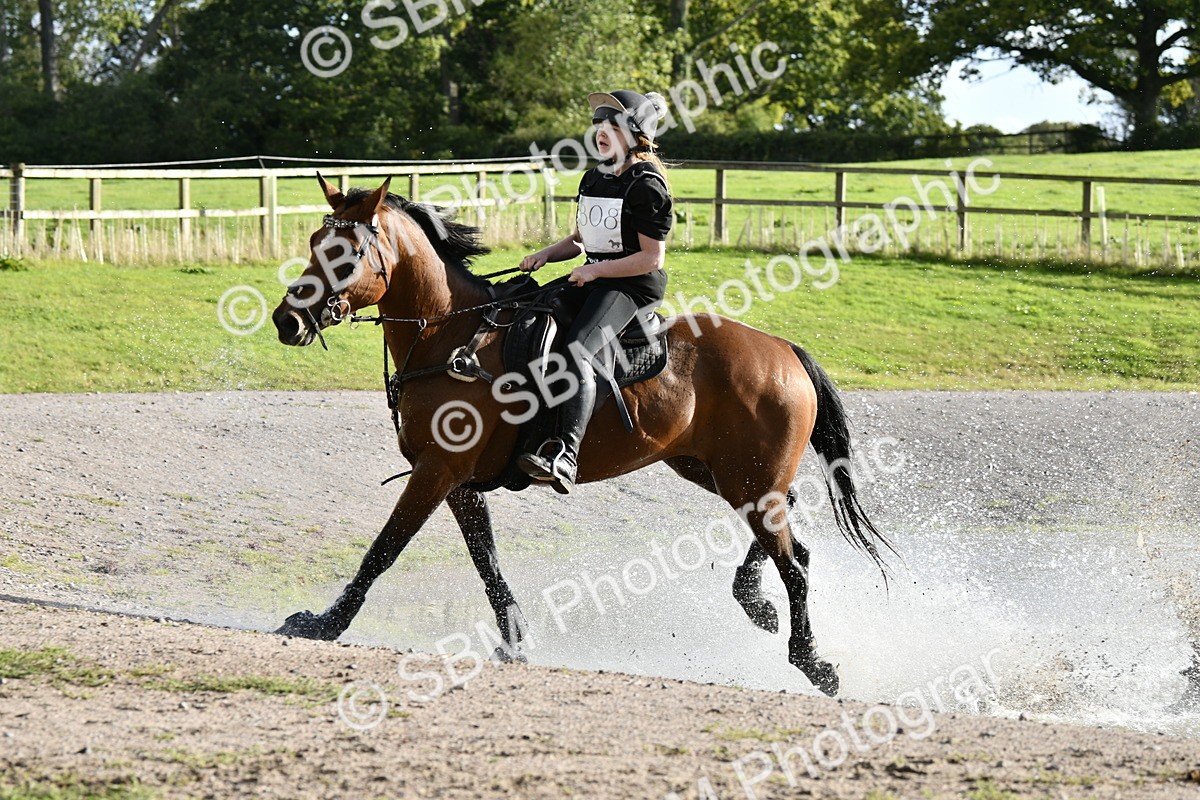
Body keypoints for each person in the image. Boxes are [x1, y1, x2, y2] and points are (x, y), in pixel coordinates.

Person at [515, 89, 675, 494]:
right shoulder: (595, 176)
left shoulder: (648, 186)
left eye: (612, 126)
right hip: (595, 276)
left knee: (578, 351)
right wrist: (547, 254)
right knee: (526, 314)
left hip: (633, 288)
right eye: (598, 125)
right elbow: (581, 239)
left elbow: (651, 258)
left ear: (634, 133)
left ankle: (564, 454)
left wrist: (596, 271)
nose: (601, 133)